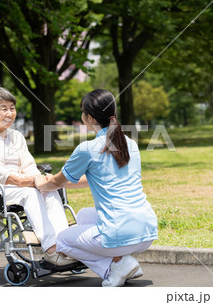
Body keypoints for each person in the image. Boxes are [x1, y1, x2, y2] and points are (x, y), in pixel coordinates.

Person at [35, 89, 158, 287]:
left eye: (82, 112)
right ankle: (120, 260)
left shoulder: (87, 149)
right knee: (84, 216)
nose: (82, 115)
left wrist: (41, 182)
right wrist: (57, 182)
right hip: (147, 229)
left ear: (90, 118)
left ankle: (115, 267)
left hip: (122, 234)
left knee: (63, 240)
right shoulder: (131, 144)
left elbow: (57, 182)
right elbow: (94, 177)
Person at [0, 86, 77, 266]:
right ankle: (51, 250)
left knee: (50, 191)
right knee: (31, 193)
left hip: (19, 185)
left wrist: (40, 181)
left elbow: (28, 165)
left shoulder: (17, 136)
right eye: (4, 108)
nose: (10, 113)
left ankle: (64, 246)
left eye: (12, 108)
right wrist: (25, 182)